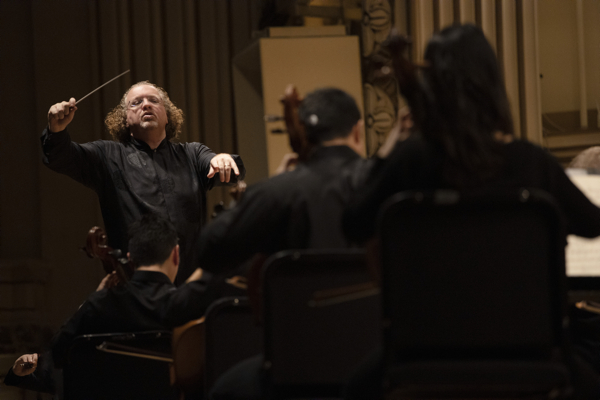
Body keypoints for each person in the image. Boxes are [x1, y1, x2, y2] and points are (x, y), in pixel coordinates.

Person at [342, 24, 600, 399]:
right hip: (530, 354)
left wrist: (393, 143)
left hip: (423, 354)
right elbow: (592, 225)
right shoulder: (531, 162)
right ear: (492, 85)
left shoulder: (410, 161)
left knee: (354, 387)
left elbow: (353, 223)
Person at [198, 87, 372, 400]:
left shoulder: (278, 192)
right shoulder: (384, 182)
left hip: (296, 367)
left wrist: (262, 193)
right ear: (358, 131)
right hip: (376, 361)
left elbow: (209, 249)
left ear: (304, 134)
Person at [42, 81, 246, 284]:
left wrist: (222, 160)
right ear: (125, 120)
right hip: (136, 287)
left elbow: (226, 170)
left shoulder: (192, 154)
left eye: (153, 101)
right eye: (136, 103)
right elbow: (61, 157)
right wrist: (56, 131)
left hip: (190, 284)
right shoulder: (107, 156)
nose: (146, 105)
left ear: (167, 116)